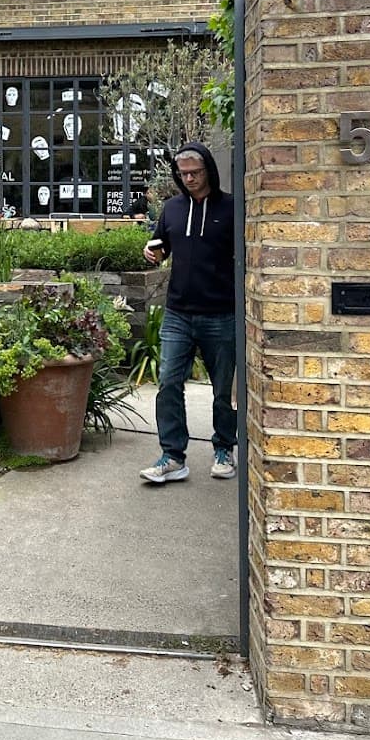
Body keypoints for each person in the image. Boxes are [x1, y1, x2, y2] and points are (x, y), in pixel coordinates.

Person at [138, 143, 236, 484]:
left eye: (195, 172)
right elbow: (161, 248)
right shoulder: (172, 209)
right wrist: (153, 253)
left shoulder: (232, 208)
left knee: (223, 390)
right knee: (168, 383)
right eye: (184, 174)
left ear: (209, 169)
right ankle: (172, 457)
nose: (190, 178)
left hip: (221, 313)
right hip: (178, 312)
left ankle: (224, 448)